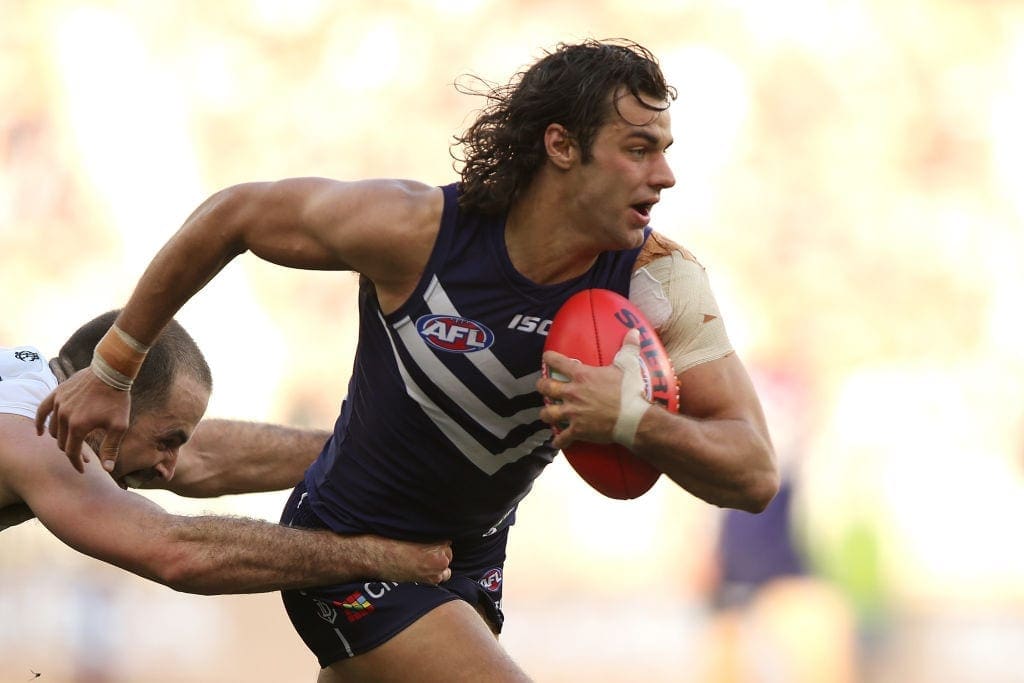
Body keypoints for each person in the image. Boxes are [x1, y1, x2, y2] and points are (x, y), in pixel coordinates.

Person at [37, 39, 779, 681]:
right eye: (639, 149)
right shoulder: (416, 232)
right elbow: (235, 214)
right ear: (561, 146)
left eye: (665, 151)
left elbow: (753, 473)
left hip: (470, 567)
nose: (665, 176)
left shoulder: (659, 280)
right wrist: (113, 367)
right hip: (349, 555)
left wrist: (635, 421)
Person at [2, 309, 452, 592]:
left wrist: (382, 458)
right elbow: (174, 552)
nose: (169, 468)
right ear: (113, 411)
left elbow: (205, 459)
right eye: (166, 441)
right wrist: (377, 557)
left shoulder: (33, 387)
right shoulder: (37, 440)